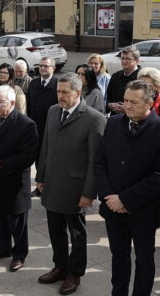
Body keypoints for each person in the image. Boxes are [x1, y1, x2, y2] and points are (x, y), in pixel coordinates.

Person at [95, 80, 160, 296]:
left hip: (142, 212)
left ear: (150, 102)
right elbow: (100, 162)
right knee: (118, 257)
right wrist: (109, 196)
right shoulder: (113, 123)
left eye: (133, 101)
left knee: (144, 261)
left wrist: (125, 199)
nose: (128, 105)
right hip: (112, 208)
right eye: (125, 100)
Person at [35, 73, 106, 295]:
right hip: (52, 183)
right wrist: (41, 177)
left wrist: (89, 193)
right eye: (58, 91)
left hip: (76, 189)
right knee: (55, 230)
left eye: (65, 92)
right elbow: (46, 146)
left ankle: (74, 273)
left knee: (77, 234)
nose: (60, 96)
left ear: (78, 92)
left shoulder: (94, 118)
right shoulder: (53, 111)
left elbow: (96, 160)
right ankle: (60, 266)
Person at [0, 85, 39, 272]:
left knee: (17, 223)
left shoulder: (26, 124)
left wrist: (1, 164)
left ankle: (19, 255)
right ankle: (3, 249)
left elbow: (28, 157)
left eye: (0, 102)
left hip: (14, 184)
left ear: (12, 103)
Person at [27, 57, 58, 150]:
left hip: (50, 130)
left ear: (53, 68)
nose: (42, 68)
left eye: (46, 66)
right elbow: (29, 106)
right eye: (40, 66)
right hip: (34, 130)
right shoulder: (33, 83)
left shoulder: (58, 84)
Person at [106, 45, 141, 116]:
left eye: (128, 59)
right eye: (122, 58)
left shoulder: (142, 78)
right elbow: (108, 97)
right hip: (115, 118)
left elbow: (145, 104)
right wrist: (109, 105)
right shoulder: (115, 76)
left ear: (136, 61)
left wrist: (127, 109)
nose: (124, 61)